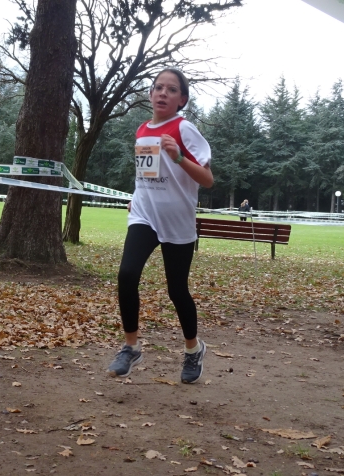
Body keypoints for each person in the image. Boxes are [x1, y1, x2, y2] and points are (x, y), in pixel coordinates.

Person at [107, 68, 214, 384]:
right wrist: (137, 195)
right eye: (157, 87)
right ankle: (131, 346)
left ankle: (193, 350)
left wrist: (180, 157)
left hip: (177, 222)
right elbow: (147, 172)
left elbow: (207, 179)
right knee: (127, 275)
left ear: (182, 99)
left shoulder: (185, 129)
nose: (162, 93)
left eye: (171, 89)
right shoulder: (141, 130)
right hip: (145, 215)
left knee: (177, 290)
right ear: (151, 94)